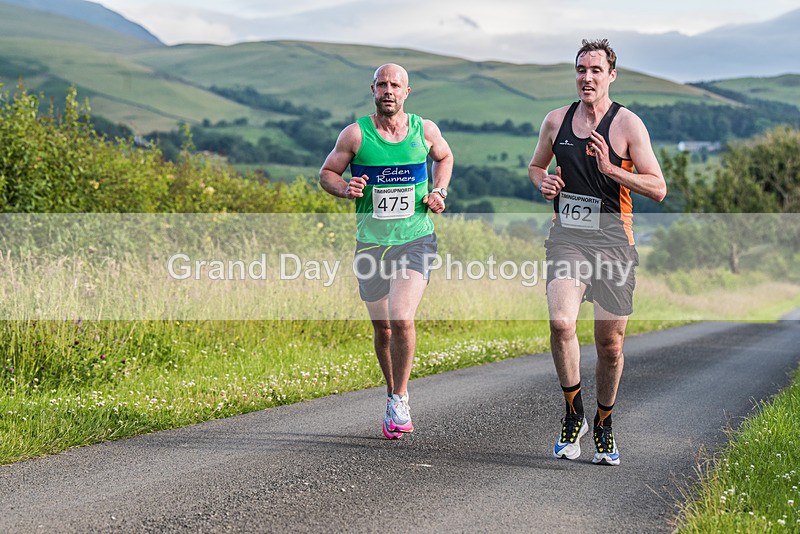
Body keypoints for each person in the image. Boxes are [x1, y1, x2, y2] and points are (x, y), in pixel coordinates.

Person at [528, 39, 667, 465]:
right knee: (560, 322)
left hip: (614, 243)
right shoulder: (556, 121)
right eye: (580, 70)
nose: (586, 78)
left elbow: (658, 188)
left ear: (611, 75)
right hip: (568, 237)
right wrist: (543, 182)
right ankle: (574, 415)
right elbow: (536, 166)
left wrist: (611, 170)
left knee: (610, 345)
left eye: (595, 70)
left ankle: (604, 423)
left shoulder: (628, 125)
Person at [319, 63, 453, 439]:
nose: (388, 90)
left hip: (416, 238)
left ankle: (400, 397)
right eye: (382, 85)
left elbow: (445, 158)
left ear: (407, 92)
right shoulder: (355, 135)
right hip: (372, 244)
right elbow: (327, 173)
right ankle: (391, 390)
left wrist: (439, 191)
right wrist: (345, 188)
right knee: (383, 328)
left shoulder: (424, 131)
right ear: (373, 90)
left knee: (401, 316)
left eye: (395, 85)